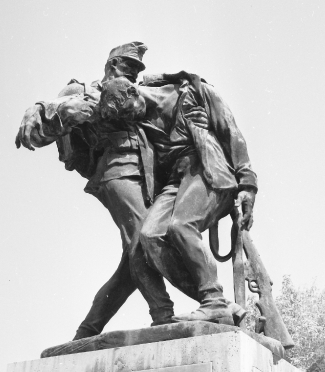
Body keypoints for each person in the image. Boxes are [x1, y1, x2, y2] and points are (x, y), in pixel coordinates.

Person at [94, 73, 258, 323]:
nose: (130, 119)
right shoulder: (138, 120)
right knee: (149, 237)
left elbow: (231, 131)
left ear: (134, 93)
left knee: (181, 226)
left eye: (128, 111)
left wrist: (248, 183)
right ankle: (220, 303)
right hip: (176, 181)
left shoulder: (193, 92)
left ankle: (213, 300)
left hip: (207, 170)